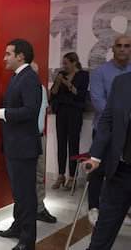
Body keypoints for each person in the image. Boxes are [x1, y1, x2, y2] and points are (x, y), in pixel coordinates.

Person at [0, 39, 42, 250]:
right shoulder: (18, 76)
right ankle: (18, 227)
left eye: (8, 54)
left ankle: (28, 241)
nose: (4, 58)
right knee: (19, 193)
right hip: (15, 146)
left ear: (20, 56)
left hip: (24, 148)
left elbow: (30, 111)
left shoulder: (28, 78)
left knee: (26, 196)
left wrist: (0, 113)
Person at [82, 71, 131, 250]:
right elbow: (107, 120)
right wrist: (95, 156)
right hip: (120, 170)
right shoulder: (122, 82)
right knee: (102, 234)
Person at [88, 35, 131, 226]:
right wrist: (118, 121)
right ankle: (93, 207)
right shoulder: (100, 72)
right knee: (99, 171)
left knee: (124, 171)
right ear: (112, 49)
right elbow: (98, 102)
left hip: (128, 136)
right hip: (104, 131)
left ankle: (124, 209)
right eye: (119, 46)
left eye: (127, 46)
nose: (123, 49)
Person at [49, 52, 89, 191]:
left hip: (75, 112)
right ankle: (61, 175)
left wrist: (68, 85)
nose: (64, 66)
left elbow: (80, 94)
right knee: (61, 144)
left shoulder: (83, 75)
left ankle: (72, 177)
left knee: (73, 144)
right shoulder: (61, 74)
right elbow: (53, 93)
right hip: (61, 112)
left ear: (74, 62)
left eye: (66, 63)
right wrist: (59, 82)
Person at [30, 61, 57, 224]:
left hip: (40, 137)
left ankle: (39, 208)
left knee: (39, 175)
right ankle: (27, 211)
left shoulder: (41, 89)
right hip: (27, 138)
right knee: (25, 177)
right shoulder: (21, 89)